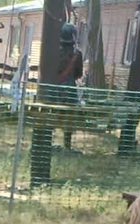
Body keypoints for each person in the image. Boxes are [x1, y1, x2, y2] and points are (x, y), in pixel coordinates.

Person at [56, 21, 83, 150]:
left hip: (54, 89)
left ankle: (47, 140)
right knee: (69, 118)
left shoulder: (53, 51)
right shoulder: (77, 54)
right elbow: (78, 74)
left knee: (52, 116)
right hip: (70, 89)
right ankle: (67, 144)